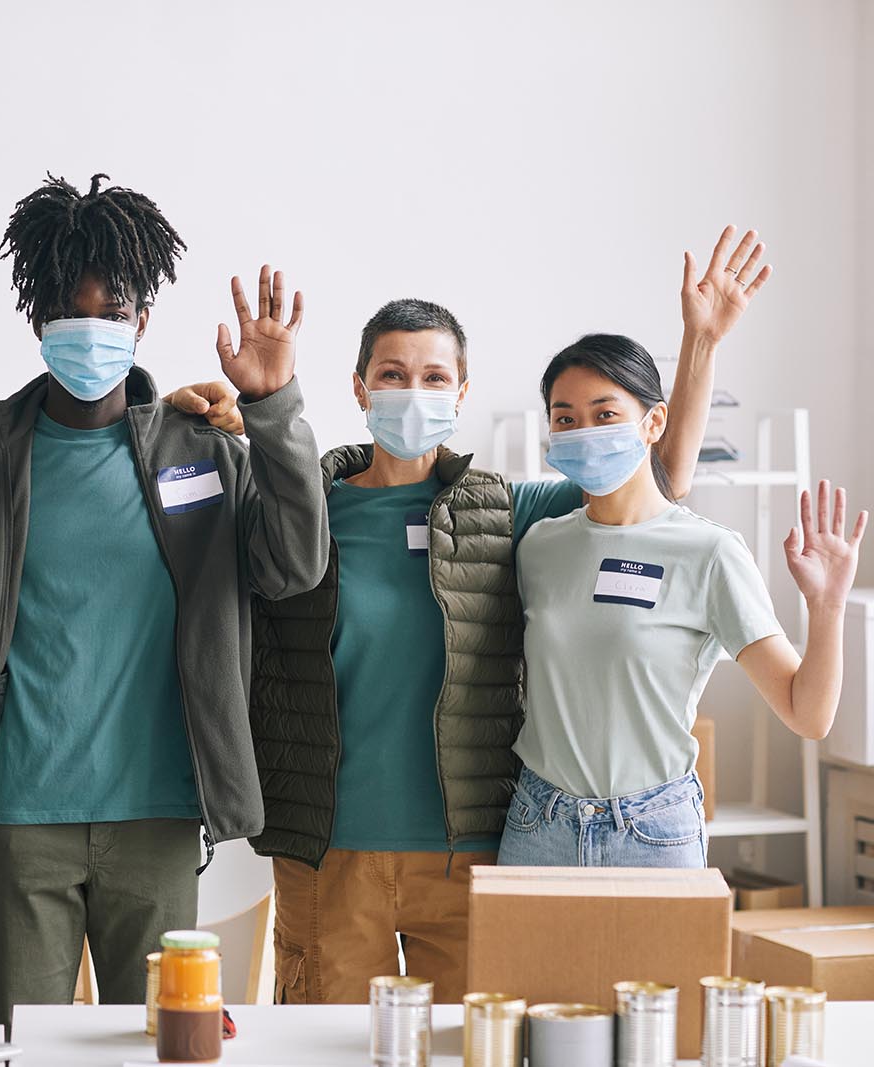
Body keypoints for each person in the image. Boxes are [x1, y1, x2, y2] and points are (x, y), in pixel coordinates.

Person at [224, 226, 773, 1005]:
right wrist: (223, 409)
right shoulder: (305, 510)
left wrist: (700, 341)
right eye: (392, 373)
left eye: (434, 375)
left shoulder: (507, 512)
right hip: (332, 851)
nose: (413, 391)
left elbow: (658, 480)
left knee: (472, 1049)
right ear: (357, 386)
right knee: (331, 1050)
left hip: (472, 850)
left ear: (460, 392)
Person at [0, 174, 329, 1028]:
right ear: (38, 322)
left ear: (143, 319)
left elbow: (294, 564)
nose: (95, 332)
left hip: (155, 810)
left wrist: (272, 409)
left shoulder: (199, 447)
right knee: (27, 1048)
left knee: (156, 1041)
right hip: (18, 814)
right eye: (72, 315)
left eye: (113, 313)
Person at [500, 334, 865, 867]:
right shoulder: (538, 546)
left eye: (605, 415)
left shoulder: (710, 551)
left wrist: (827, 606)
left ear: (653, 423)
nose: (583, 432)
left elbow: (808, 716)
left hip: (650, 834)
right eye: (565, 419)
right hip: (539, 824)